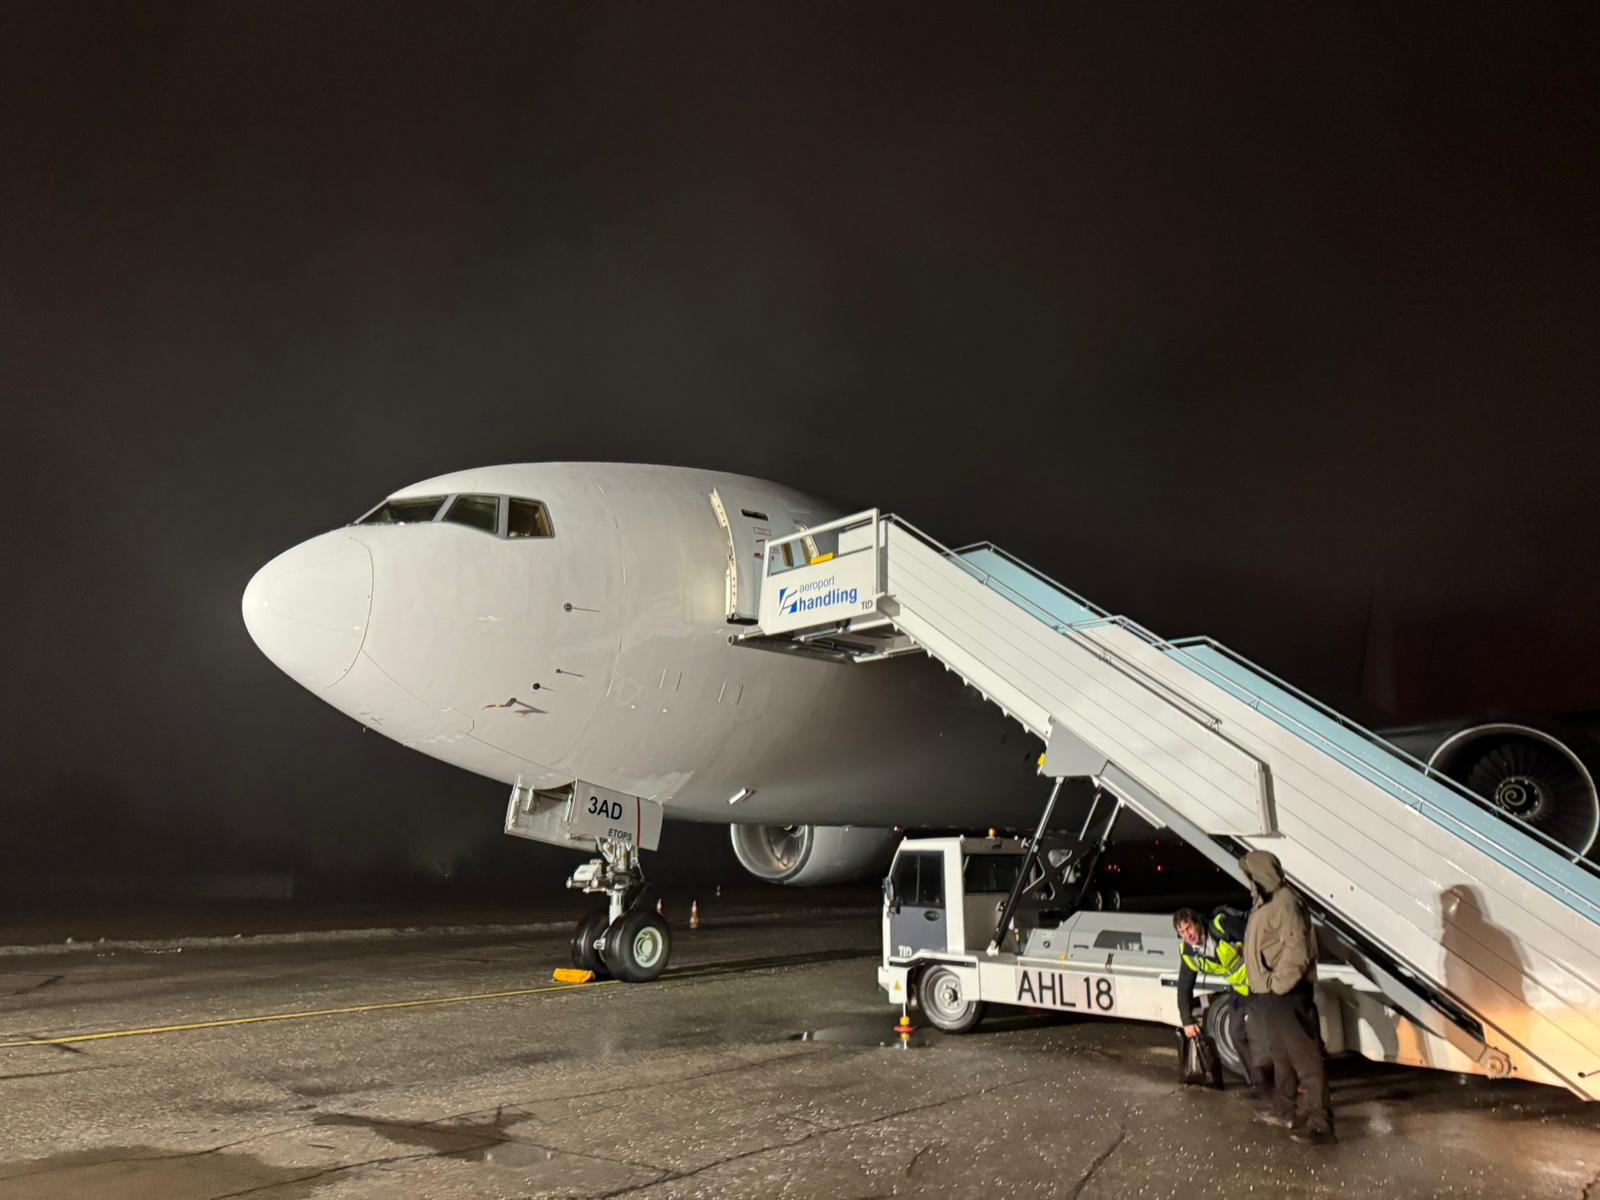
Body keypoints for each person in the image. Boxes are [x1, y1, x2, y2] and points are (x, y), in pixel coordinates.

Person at [1239, 850, 1335, 1145]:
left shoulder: (1286, 903)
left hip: (1288, 994)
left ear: (1261, 875)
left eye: (1251, 874)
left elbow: (1298, 951)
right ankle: (1286, 1109)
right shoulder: (1266, 903)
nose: (1249, 881)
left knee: (1306, 1060)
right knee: (1281, 1055)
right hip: (1270, 995)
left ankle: (1320, 1124)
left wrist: (1277, 984)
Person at [1173, 905, 1250, 1045]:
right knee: (1236, 1033)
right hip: (1241, 990)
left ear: (1197, 923)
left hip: (1261, 982)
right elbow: (1184, 987)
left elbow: (1255, 938)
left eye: (1189, 928)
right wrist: (1187, 1021)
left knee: (1267, 1029)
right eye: (1182, 932)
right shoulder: (1188, 954)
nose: (1187, 935)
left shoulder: (1221, 927)